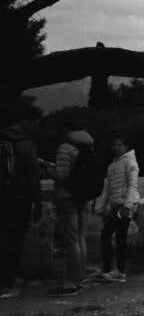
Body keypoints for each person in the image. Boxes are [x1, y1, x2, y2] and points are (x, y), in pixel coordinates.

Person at [49, 127, 94, 296]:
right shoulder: (87, 147)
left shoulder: (64, 148)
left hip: (67, 197)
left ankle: (71, 282)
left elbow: (62, 176)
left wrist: (48, 169)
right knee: (81, 237)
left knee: (71, 239)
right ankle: (80, 277)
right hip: (85, 197)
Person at [0, 122, 42, 299]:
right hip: (20, 198)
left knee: (3, 237)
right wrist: (37, 201)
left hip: (3, 196)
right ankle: (8, 283)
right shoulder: (26, 144)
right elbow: (34, 175)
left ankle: (8, 280)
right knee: (15, 239)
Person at [95, 134, 139, 283]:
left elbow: (133, 185)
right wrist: (100, 207)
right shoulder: (112, 165)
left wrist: (127, 205)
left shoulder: (130, 162)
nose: (116, 147)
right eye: (114, 144)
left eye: (119, 144)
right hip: (114, 207)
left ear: (126, 147)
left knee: (120, 238)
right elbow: (107, 189)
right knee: (105, 236)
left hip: (124, 206)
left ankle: (120, 271)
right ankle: (107, 269)